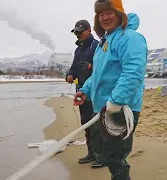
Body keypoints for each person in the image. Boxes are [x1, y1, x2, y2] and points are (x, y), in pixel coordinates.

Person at [74, 0, 147, 179]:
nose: (105, 17)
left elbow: (134, 72)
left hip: (121, 109)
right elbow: (99, 74)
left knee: (114, 157)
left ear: (119, 13)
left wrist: (116, 100)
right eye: (101, 14)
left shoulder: (130, 38)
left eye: (109, 12)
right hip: (102, 108)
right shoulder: (104, 42)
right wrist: (85, 90)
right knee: (102, 153)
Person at [66, 19, 103, 168]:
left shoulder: (97, 46)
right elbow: (74, 67)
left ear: (89, 31)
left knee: (98, 125)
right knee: (86, 123)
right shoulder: (78, 50)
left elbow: (103, 68)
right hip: (81, 91)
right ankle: (92, 153)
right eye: (75, 32)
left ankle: (102, 156)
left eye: (80, 31)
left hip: (96, 92)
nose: (77, 34)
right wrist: (70, 75)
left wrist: (90, 66)